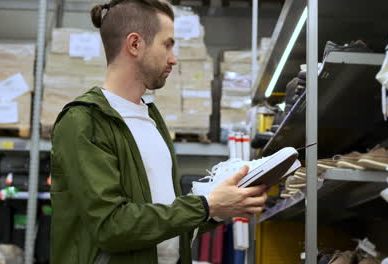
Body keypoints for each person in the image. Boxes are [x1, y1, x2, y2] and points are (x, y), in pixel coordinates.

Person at [50, 0, 268, 263]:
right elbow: (111, 226)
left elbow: (165, 225)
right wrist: (206, 205)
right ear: (135, 44)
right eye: (167, 44)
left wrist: (219, 208)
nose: (174, 59)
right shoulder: (84, 120)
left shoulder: (151, 118)